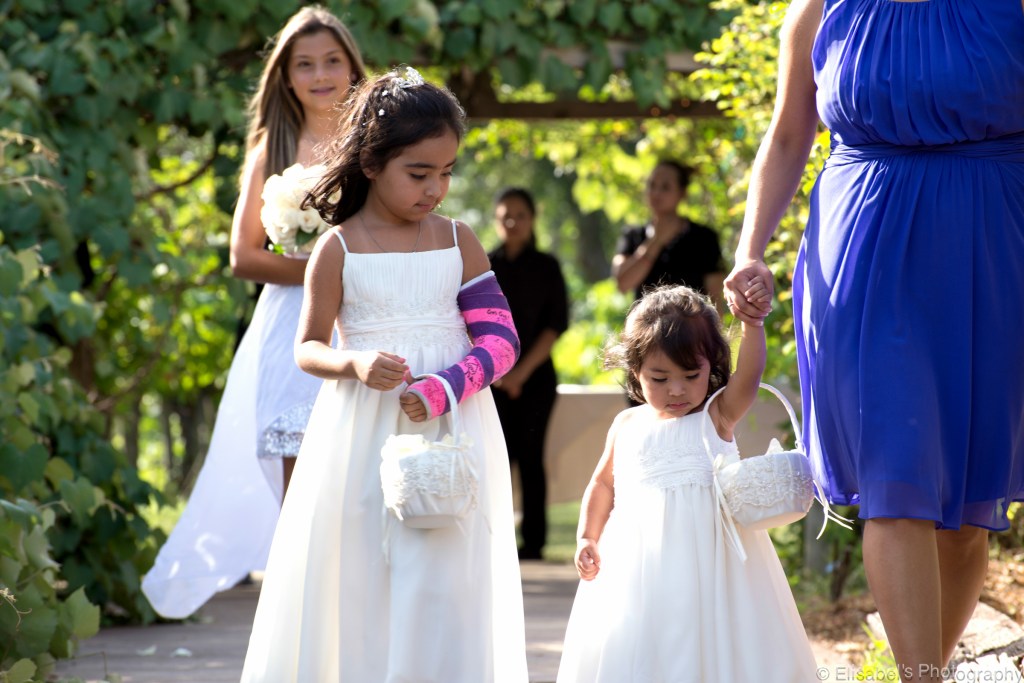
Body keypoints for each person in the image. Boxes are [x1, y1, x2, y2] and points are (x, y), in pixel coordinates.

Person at [723, 0, 1024, 679]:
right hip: (864, 257)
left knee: (968, 513)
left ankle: (926, 671)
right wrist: (750, 249)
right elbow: (787, 136)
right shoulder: (820, 11)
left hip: (996, 251)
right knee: (896, 475)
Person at [239, 68, 529, 682]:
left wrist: (447, 385)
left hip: (453, 426)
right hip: (363, 430)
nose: (436, 189)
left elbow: (501, 341)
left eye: (446, 172)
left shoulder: (459, 240)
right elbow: (309, 347)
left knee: (445, 571)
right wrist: (355, 363)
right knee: (366, 565)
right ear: (371, 164)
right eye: (419, 174)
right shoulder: (338, 248)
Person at [141, 6, 366, 619]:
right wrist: (324, 270)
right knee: (301, 467)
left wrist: (358, 274)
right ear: (285, 77)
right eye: (304, 64)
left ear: (352, 65)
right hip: (293, 325)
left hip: (368, 319)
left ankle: (364, 603)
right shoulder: (278, 145)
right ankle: (305, 613)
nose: (320, 74)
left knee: (362, 459)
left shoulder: (377, 137)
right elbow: (243, 255)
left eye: (331, 61)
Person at [556, 284, 818, 682]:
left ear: (711, 366)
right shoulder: (627, 424)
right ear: (635, 371)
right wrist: (586, 537)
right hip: (637, 566)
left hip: (711, 565)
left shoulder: (717, 414)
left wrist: (753, 325)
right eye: (659, 378)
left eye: (690, 375)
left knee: (712, 642)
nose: (676, 389)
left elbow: (749, 377)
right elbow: (603, 485)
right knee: (640, 643)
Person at [488, 187, 569, 560]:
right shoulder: (484, 266)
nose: (512, 222)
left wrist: (520, 373)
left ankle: (534, 543)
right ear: (496, 220)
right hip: (491, 377)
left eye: (519, 214)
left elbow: (554, 326)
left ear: (532, 219)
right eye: (505, 215)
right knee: (497, 459)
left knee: (531, 457)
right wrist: (498, 371)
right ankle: (495, 537)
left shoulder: (547, 266)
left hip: (535, 380)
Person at [611, 160, 725, 306]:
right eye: (652, 185)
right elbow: (622, 284)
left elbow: (714, 297)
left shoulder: (704, 238)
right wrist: (655, 242)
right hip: (646, 326)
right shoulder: (633, 235)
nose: (656, 193)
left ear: (682, 193)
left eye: (665, 187)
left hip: (692, 327)